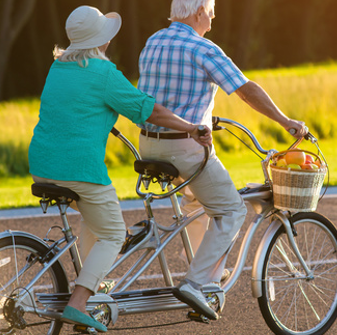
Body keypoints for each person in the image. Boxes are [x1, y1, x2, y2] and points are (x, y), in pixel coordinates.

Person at [28, 5, 211, 331]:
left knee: (93, 218)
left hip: (42, 165)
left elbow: (72, 108)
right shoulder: (104, 74)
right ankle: (79, 303)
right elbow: (149, 110)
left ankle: (93, 284)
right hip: (78, 170)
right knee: (113, 233)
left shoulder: (57, 68)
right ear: (101, 39)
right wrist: (191, 127)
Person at [137, 0, 307, 320]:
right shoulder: (203, 49)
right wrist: (286, 122)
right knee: (231, 209)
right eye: (211, 15)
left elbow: (166, 95)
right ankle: (196, 283)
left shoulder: (153, 41)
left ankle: (210, 279)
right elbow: (245, 90)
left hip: (148, 145)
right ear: (199, 12)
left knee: (198, 204)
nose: (212, 23)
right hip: (184, 149)